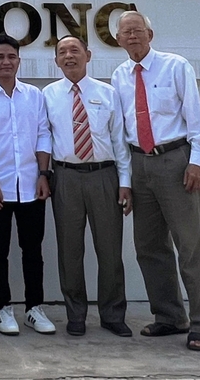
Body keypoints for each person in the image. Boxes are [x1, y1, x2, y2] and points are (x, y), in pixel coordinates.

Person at [110, 10, 200, 352]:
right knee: (149, 247)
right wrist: (126, 179)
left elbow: (195, 118)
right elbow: (121, 132)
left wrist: (196, 161)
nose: (132, 36)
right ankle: (170, 316)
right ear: (118, 40)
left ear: (150, 34)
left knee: (190, 248)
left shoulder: (175, 66)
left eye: (137, 30)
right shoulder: (119, 76)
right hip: (139, 165)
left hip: (175, 160)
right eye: (126, 32)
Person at [43, 35, 133, 338]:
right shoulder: (48, 95)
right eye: (62, 52)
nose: (69, 56)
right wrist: (44, 174)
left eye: (75, 50)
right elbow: (44, 137)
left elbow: (119, 141)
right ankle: (76, 314)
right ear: (56, 60)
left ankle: (112, 314)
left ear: (88, 55)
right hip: (65, 177)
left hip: (104, 176)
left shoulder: (108, 93)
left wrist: (125, 182)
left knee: (110, 250)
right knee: (69, 251)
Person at [0, 34, 54, 337]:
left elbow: (43, 134)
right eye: (0, 57)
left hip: (32, 185)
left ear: (19, 60)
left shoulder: (34, 95)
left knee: (33, 250)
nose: (6, 62)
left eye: (11, 57)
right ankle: (2, 308)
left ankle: (34, 308)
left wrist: (43, 174)